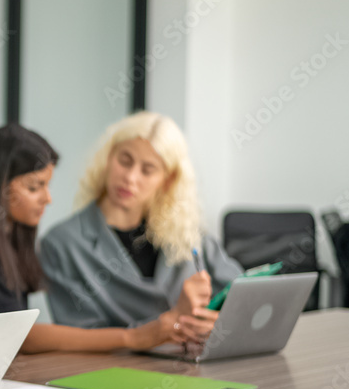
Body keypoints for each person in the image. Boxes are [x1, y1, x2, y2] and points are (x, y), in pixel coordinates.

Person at [0, 124, 209, 353]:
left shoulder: (12, 239)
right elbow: (19, 336)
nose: (48, 198)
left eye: (47, 185)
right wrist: (134, 337)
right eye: (34, 187)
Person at [39, 111, 243, 337]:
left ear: (167, 180)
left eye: (148, 170)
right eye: (124, 161)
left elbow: (243, 297)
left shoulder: (190, 234)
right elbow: (81, 338)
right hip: (119, 371)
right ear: (108, 159)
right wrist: (172, 322)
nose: (130, 177)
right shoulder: (62, 244)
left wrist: (218, 322)